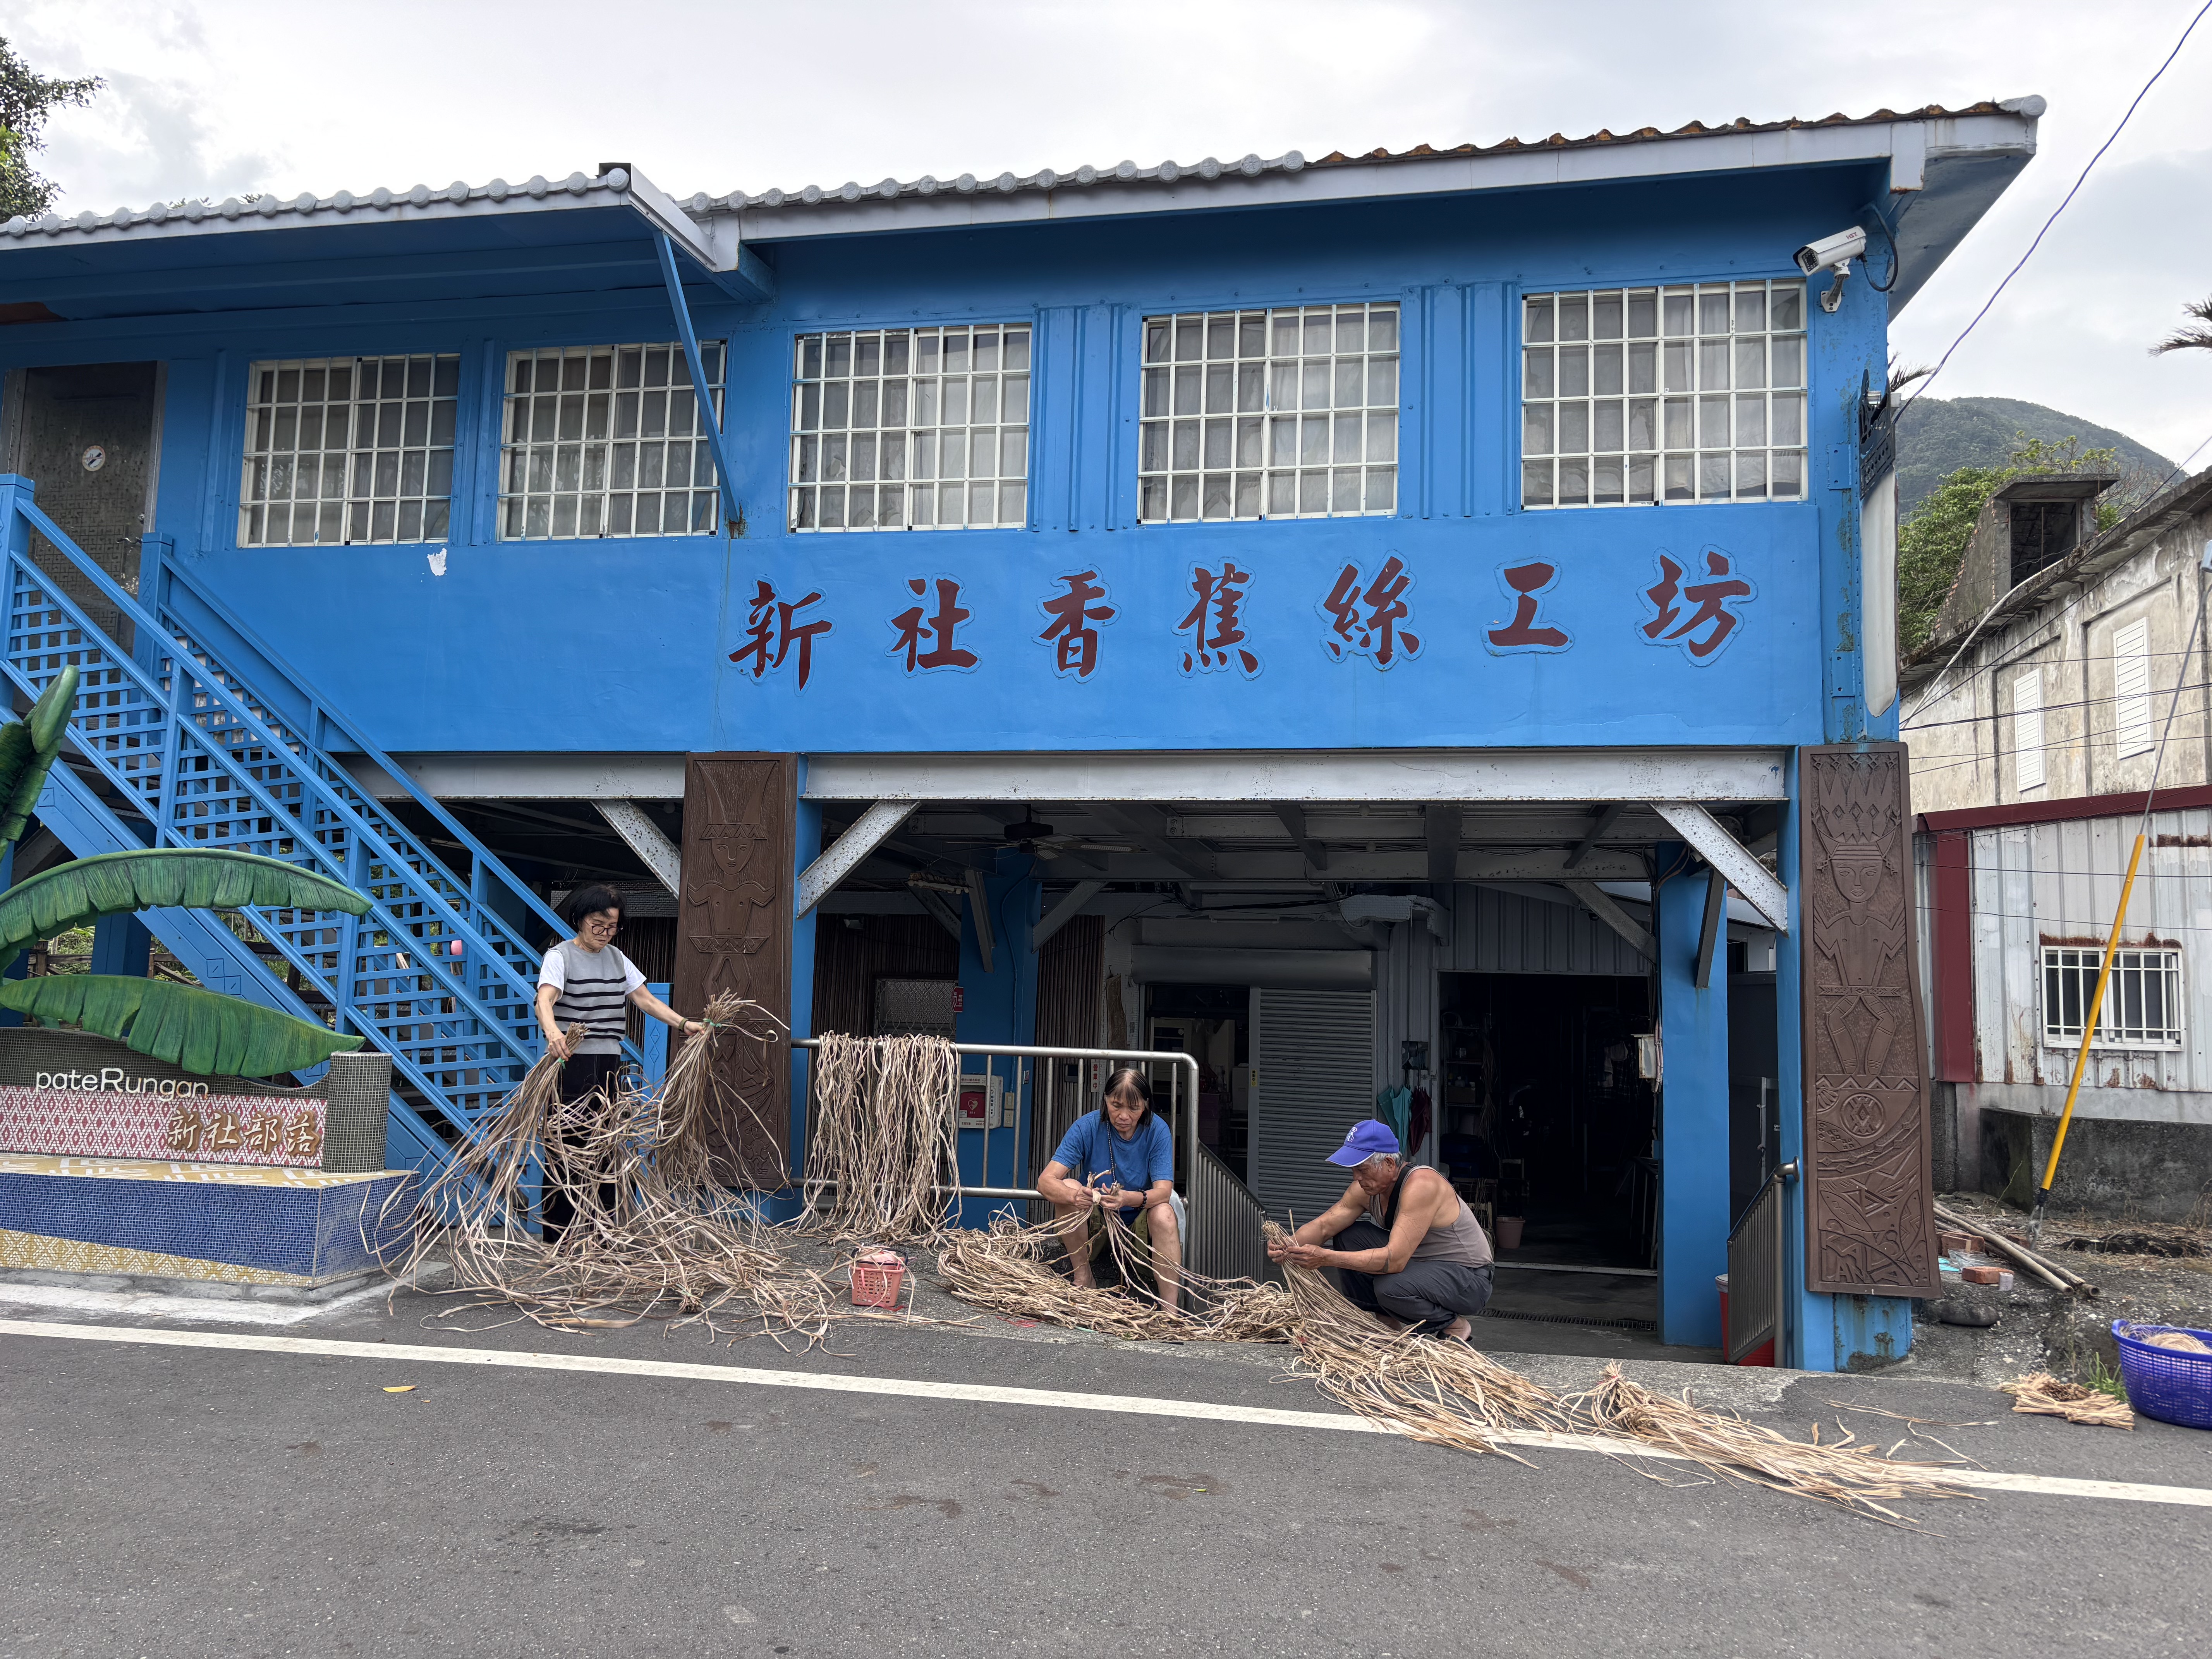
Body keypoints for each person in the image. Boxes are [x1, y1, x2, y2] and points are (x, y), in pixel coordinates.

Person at [533, 884, 705, 1241]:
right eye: (598, 924)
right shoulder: (559, 956)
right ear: (580, 920)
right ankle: (560, 1236)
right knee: (567, 1144)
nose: (605, 933)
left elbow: (646, 1001)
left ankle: (602, 1232)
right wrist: (554, 1034)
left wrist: (685, 1024)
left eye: (612, 927)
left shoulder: (617, 958)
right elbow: (544, 1001)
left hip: (608, 1062)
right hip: (570, 1061)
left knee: (606, 1145)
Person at [1266, 1120, 1493, 1341]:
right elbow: (1325, 1226)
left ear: (1389, 1164)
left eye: (1362, 1169)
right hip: (1423, 1266)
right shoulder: (1365, 1188)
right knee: (1349, 1235)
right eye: (1354, 1170)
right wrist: (1288, 1245)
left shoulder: (1422, 1185)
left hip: (1469, 1281)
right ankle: (1385, 1322)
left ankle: (1454, 1325)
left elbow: (1393, 1261)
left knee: (1390, 1288)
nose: (1356, 1177)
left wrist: (1325, 1258)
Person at [1037, 1066, 1185, 1314]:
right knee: (1069, 1186)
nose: (1123, 1116)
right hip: (1095, 1219)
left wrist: (1128, 1199)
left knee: (1164, 1212)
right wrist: (1074, 1195)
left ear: (1146, 1106)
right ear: (1106, 1100)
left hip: (1139, 1224)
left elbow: (1163, 1191)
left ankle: (1170, 1310)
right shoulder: (1088, 1126)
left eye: (1134, 1108)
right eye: (1116, 1105)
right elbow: (1045, 1181)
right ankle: (1084, 1278)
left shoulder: (1158, 1130)